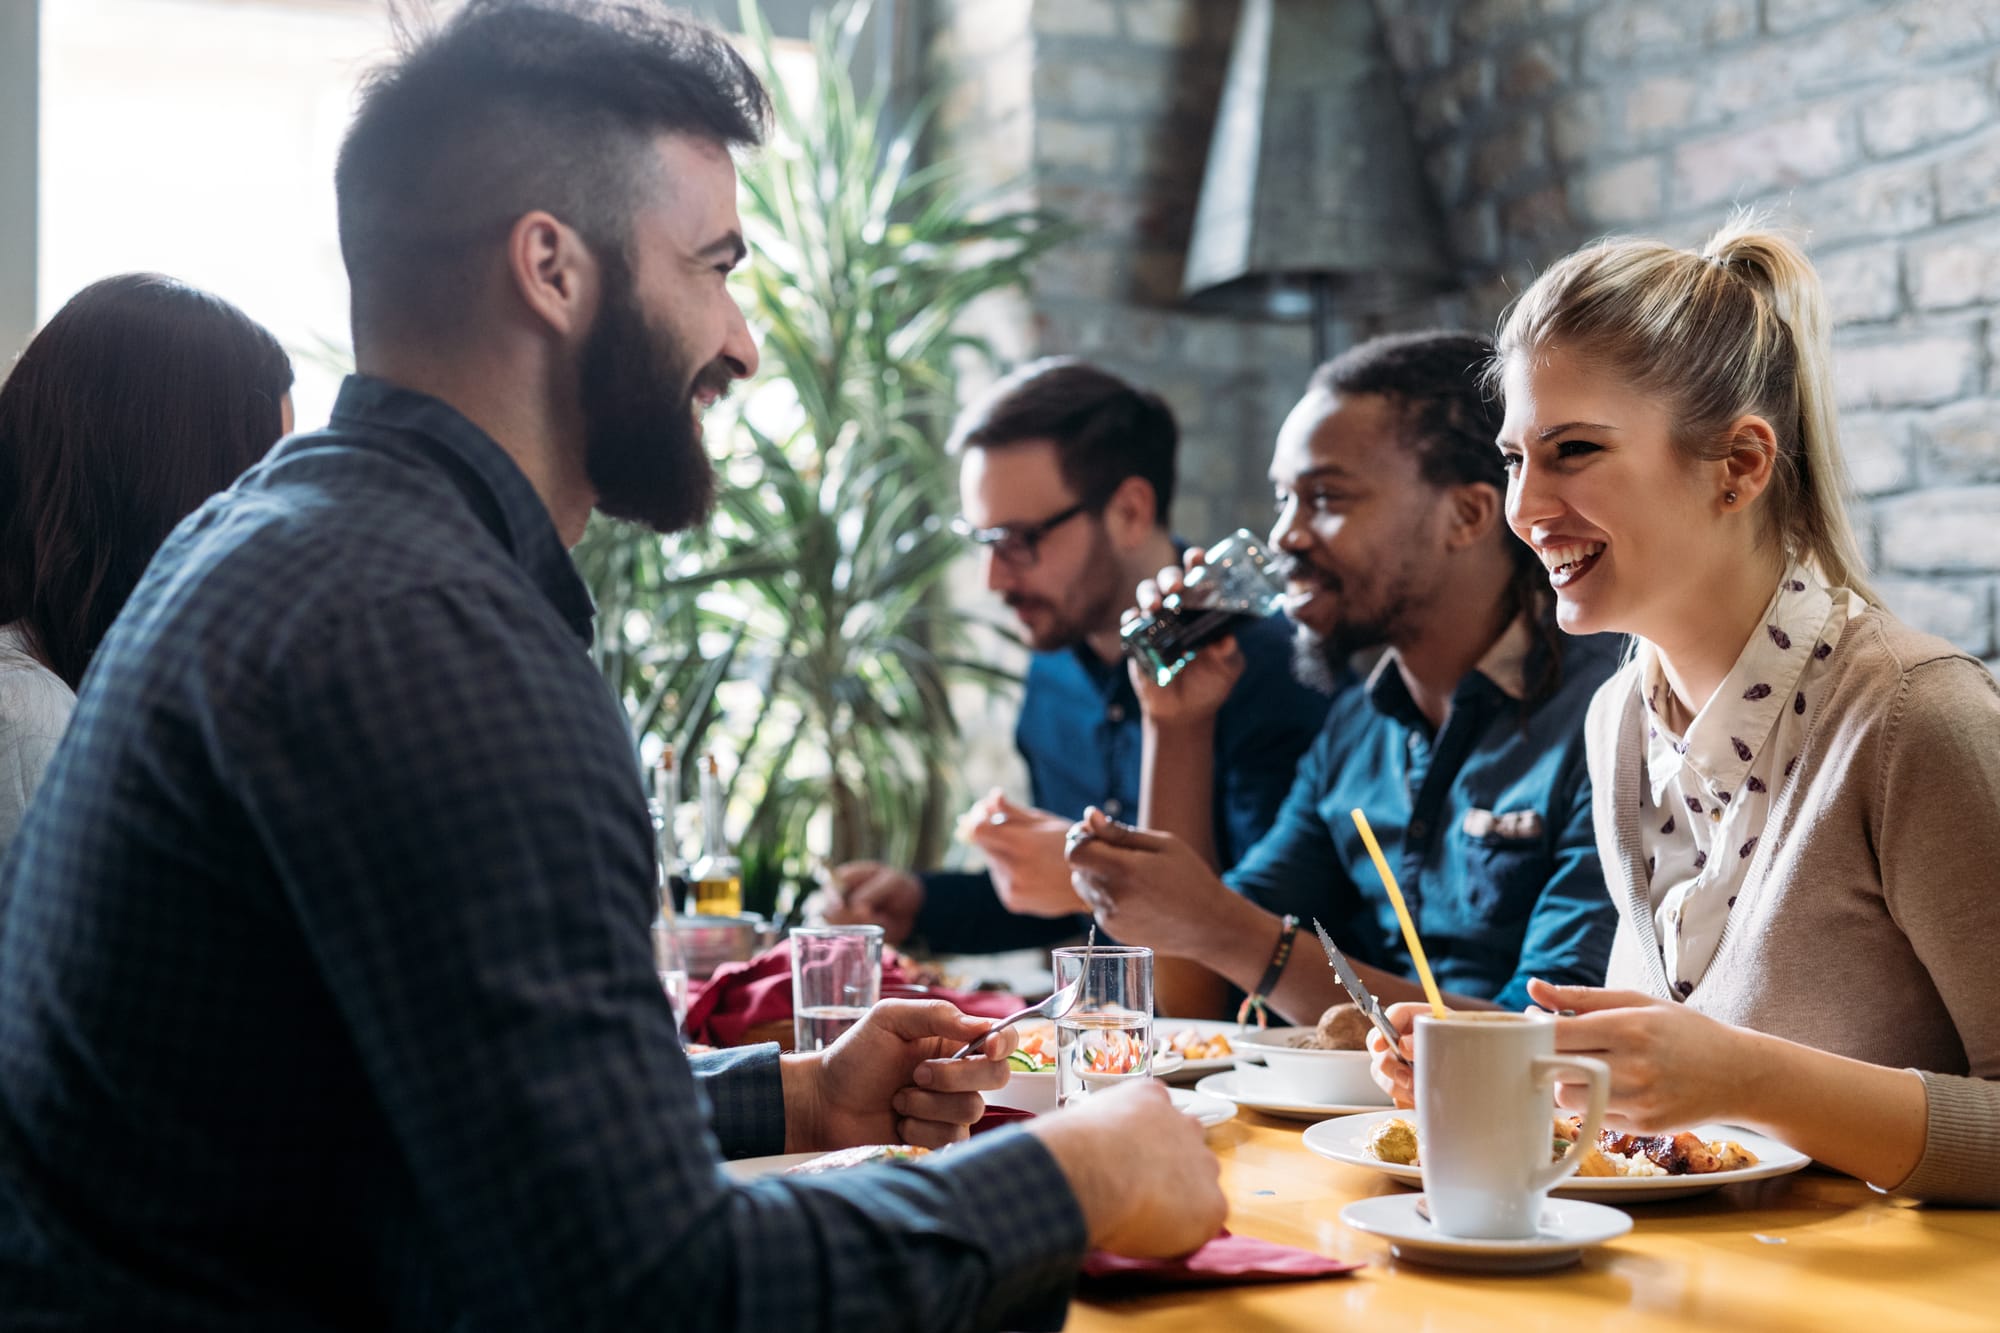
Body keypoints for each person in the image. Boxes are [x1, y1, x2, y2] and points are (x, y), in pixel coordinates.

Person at [0, 4, 1224, 1329]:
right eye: (714, 265)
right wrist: (1072, 1170)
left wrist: (794, 1095)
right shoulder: (434, 636)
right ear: (553, 267)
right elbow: (648, 1291)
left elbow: (415, 1117)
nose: (744, 341)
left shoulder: (273, 549)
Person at [1368, 219, 2000, 1205]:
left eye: (1571, 450)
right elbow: (1673, 1116)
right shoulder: (1617, 719)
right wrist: (1521, 1068)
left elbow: (1735, 1085)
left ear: (1739, 467)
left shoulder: (1915, 715)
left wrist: (1749, 1077)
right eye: (1512, 457)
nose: (1524, 506)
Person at [1066, 332, 1622, 1021]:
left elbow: (1556, 1044)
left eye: (1325, 498)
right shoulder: (1356, 729)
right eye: (1282, 500)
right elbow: (1193, 993)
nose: (1284, 538)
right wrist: (1176, 726)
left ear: (1468, 515)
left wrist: (1228, 930)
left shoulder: (1609, 718)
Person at [822, 357, 1332, 953]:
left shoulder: (1267, 667)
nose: (992, 578)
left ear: (1130, 512)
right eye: (983, 542)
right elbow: (1061, 897)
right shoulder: (1054, 664)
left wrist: (1095, 876)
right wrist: (923, 903)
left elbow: (1270, 928)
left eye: (1018, 541)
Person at [0, 272, 293, 853]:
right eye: (261, 475)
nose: (276, 513)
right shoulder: (28, 715)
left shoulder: (65, 688)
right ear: (172, 485)